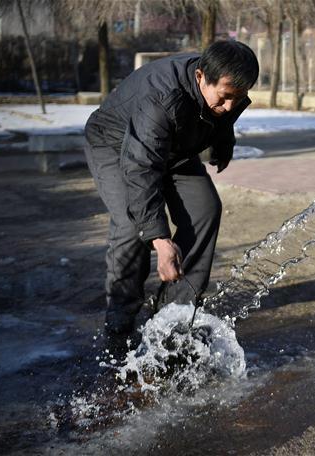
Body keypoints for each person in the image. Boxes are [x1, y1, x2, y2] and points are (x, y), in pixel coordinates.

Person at [83, 40, 258, 335]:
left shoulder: (225, 88)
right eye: (226, 97)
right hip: (115, 144)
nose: (230, 106)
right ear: (201, 76)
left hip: (173, 148)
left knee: (205, 209)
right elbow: (141, 167)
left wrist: (222, 146)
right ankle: (120, 321)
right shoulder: (162, 95)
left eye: (238, 98)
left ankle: (175, 314)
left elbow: (223, 116)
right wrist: (161, 240)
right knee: (131, 226)